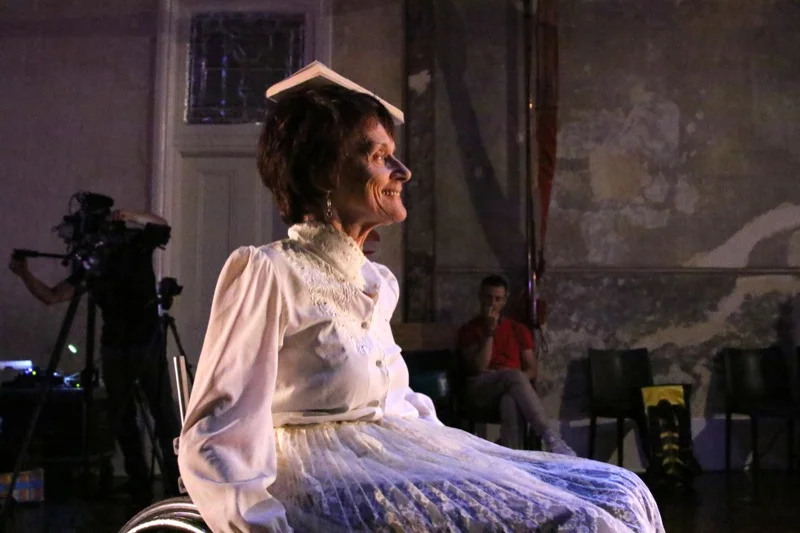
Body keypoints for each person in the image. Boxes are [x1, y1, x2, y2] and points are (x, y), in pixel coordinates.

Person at [178, 84, 664, 533]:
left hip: (393, 452)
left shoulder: (375, 283)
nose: (403, 171)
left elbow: (399, 401)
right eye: (379, 156)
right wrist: (257, 524)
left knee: (622, 489)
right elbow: (216, 434)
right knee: (577, 523)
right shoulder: (269, 272)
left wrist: (459, 460)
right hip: (327, 475)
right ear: (326, 172)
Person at [9, 209, 181, 506]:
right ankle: (139, 486)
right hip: (114, 347)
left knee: (163, 415)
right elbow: (52, 296)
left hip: (145, 342)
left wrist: (128, 214)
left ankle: (178, 481)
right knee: (123, 419)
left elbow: (162, 225)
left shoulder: (135, 244)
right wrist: (24, 273)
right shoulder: (92, 264)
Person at [457, 275, 575, 455]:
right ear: (480, 297)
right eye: (488, 297)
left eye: (497, 299)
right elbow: (478, 368)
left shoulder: (517, 329)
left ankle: (513, 455)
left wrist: (515, 379)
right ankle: (550, 437)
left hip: (511, 386)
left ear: (504, 301)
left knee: (510, 400)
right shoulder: (469, 329)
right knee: (513, 375)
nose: (492, 303)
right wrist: (489, 333)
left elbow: (532, 369)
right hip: (481, 387)